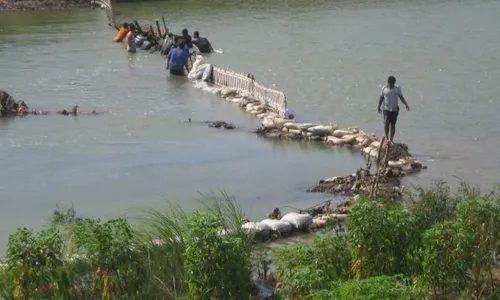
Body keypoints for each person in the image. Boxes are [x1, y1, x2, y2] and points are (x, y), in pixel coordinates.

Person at [377, 75, 410, 142]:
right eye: (391, 83)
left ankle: (391, 139)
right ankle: (386, 137)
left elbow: (401, 97)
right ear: (388, 82)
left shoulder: (397, 89)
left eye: (393, 83)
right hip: (386, 108)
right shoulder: (384, 88)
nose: (392, 84)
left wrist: (406, 104)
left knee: (393, 124)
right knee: (386, 122)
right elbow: (381, 97)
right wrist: (378, 107)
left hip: (394, 109)